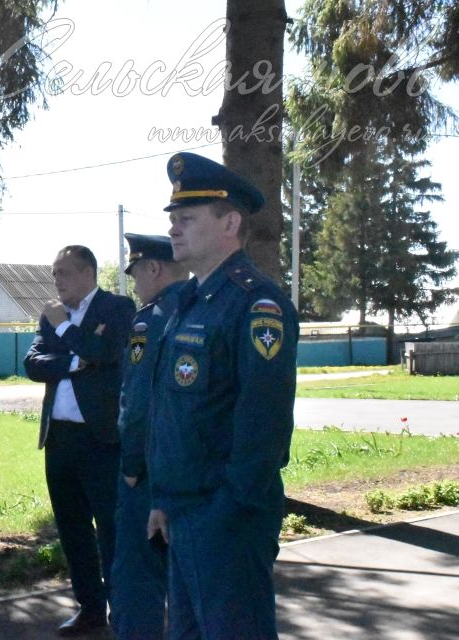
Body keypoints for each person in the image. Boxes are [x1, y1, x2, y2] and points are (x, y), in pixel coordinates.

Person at [146, 152, 299, 639]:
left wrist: (226, 512)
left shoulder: (258, 304)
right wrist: (165, 500)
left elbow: (263, 422)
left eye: (187, 218)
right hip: (182, 513)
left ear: (230, 222)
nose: (173, 229)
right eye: (172, 219)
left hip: (225, 520)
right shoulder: (184, 302)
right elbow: (173, 413)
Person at [23, 245, 135, 637]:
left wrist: (68, 332)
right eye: (54, 273)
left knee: (111, 529)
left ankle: (124, 611)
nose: (56, 280)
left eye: (63, 272)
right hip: (60, 439)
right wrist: (73, 362)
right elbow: (32, 364)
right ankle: (90, 608)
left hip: (101, 439)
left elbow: (105, 353)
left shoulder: (118, 309)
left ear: (88, 273)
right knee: (72, 529)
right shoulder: (50, 314)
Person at [109, 234, 188, 640]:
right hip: (189, 469)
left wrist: (131, 467)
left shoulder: (149, 319)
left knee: (137, 579)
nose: (136, 282)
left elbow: (138, 401)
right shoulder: (200, 309)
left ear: (154, 268)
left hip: (148, 474)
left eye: (137, 271)